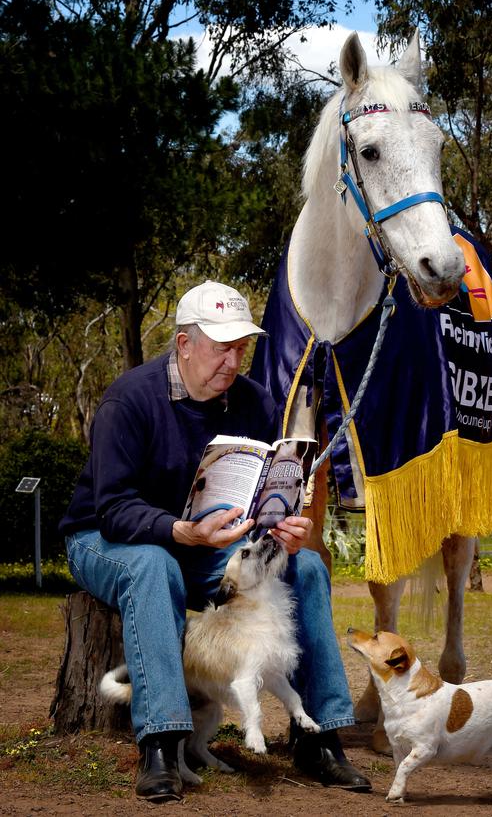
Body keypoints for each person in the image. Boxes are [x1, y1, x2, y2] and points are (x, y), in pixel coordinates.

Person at [59, 281, 371, 801]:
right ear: (184, 344)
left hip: (208, 543)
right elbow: (112, 509)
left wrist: (285, 529)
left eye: (240, 346)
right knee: (152, 566)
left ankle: (318, 735)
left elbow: (265, 491)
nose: (233, 359)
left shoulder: (254, 401)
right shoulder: (129, 399)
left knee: (308, 567)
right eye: (221, 346)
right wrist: (181, 530)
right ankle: (160, 742)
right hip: (105, 538)